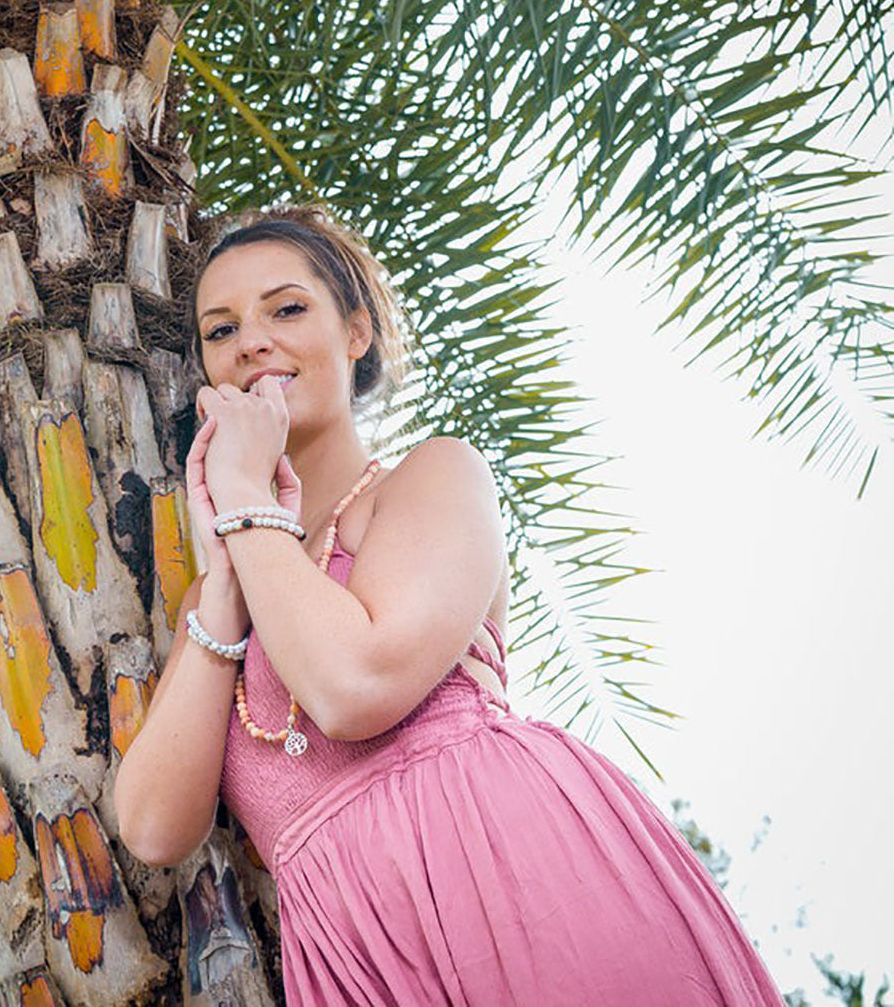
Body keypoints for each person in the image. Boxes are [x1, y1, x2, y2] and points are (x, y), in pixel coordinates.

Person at [114, 203, 784, 1005]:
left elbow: (354, 686)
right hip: (351, 948)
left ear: (355, 334)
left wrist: (241, 493)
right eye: (220, 331)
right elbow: (154, 827)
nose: (251, 340)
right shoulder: (224, 587)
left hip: (513, 878)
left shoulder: (433, 478)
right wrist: (224, 577)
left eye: (286, 309)